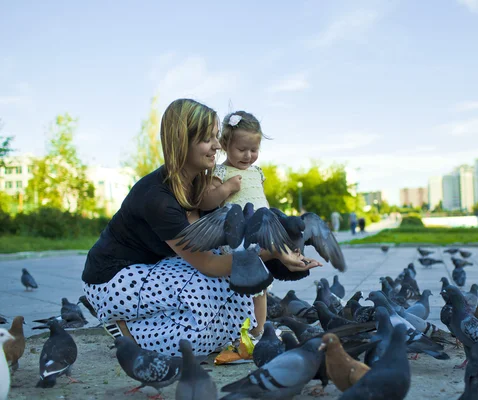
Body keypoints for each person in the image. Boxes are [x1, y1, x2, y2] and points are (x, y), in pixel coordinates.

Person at [81, 99, 321, 357]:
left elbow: (222, 250)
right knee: (201, 310)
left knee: (236, 289)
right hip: (113, 279)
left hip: (156, 269)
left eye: (216, 136)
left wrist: (280, 247)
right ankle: (125, 328)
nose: (218, 145)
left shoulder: (201, 185)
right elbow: (208, 264)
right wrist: (272, 253)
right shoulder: (157, 198)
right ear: (182, 141)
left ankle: (155, 324)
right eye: (208, 139)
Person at [197, 110, 270, 337]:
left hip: (260, 235)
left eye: (254, 150)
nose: (248, 155)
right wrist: (226, 188)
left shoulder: (257, 172)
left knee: (261, 286)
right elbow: (207, 201)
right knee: (240, 284)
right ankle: (238, 326)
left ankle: (260, 329)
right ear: (226, 144)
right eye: (242, 149)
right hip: (236, 239)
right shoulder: (221, 171)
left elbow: (261, 200)